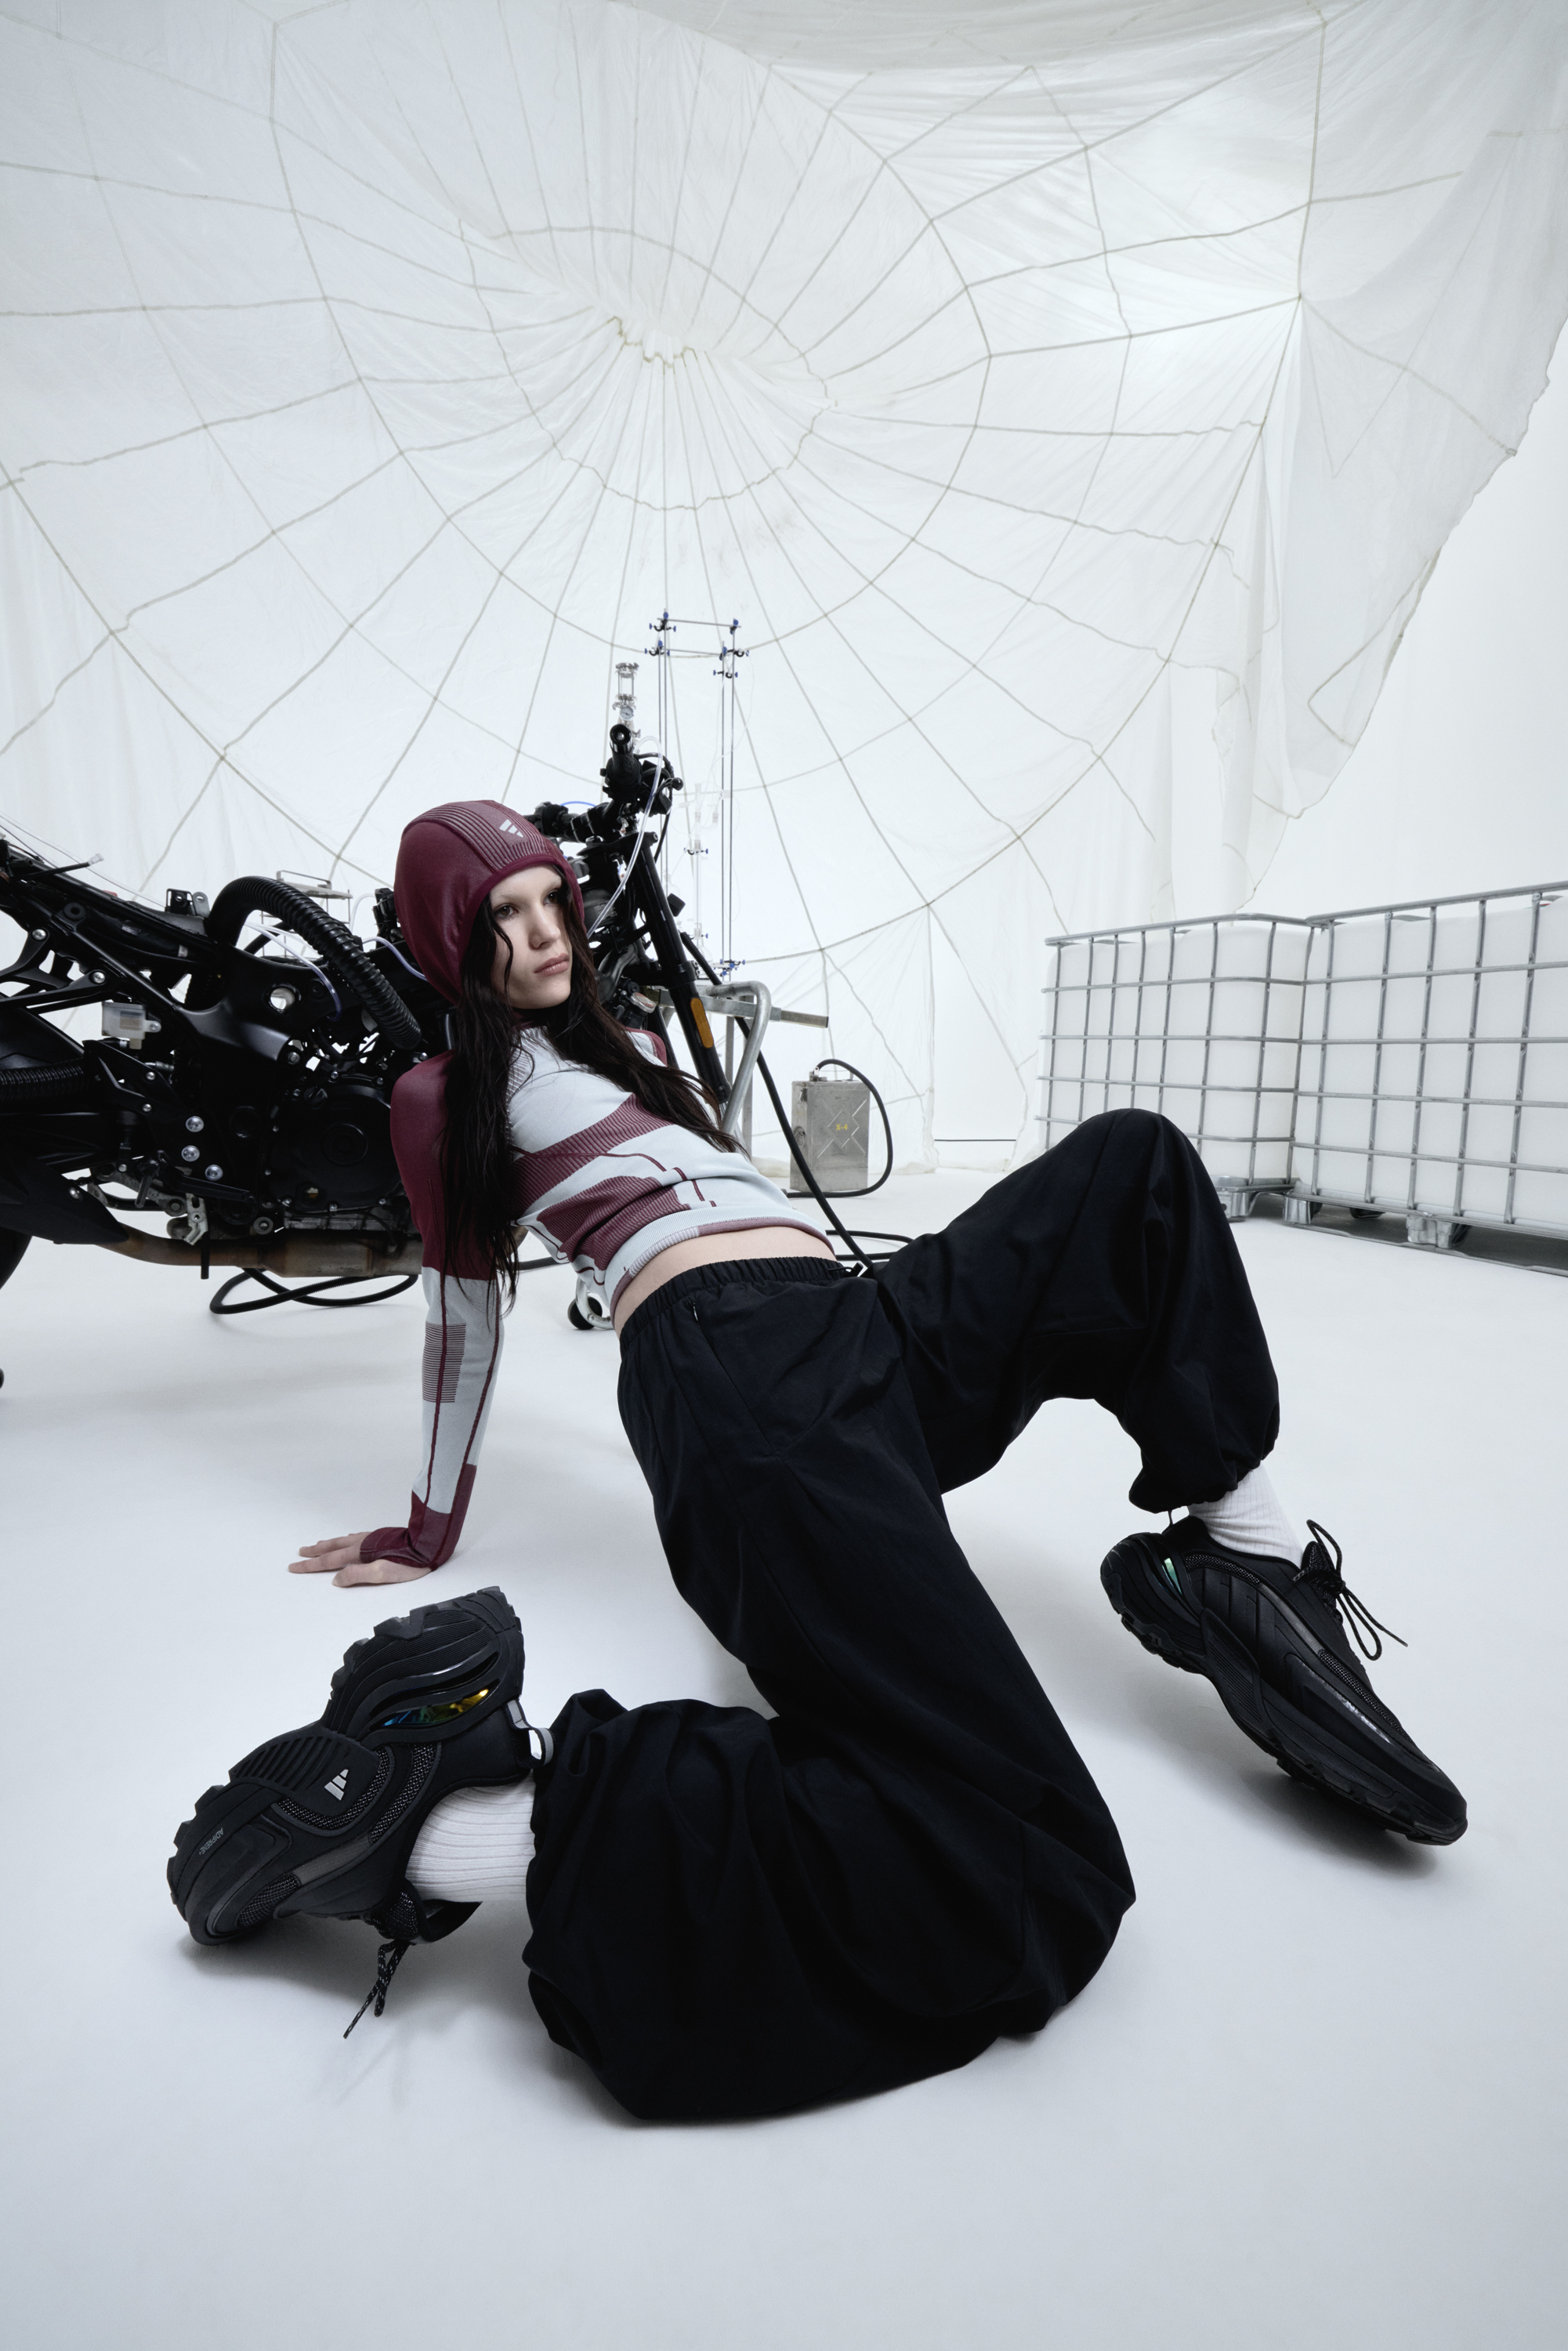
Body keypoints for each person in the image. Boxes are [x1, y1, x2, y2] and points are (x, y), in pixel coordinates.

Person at [168, 802, 1465, 2124]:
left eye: (553, 899)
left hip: (861, 1329)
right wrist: (428, 1523)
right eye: (503, 916)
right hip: (738, 1389)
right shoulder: (443, 1098)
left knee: (1129, 1170)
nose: (547, 932)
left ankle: (1247, 1565)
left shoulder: (626, 1055)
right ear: (452, 942)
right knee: (1024, 1859)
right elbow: (463, 1316)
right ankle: (439, 1825)